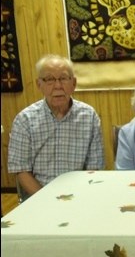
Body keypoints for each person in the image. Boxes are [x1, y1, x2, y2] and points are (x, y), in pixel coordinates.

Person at [8, 54, 104, 201]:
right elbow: (21, 170)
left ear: (74, 83)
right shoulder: (24, 120)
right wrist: (47, 199)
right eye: (49, 79)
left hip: (81, 195)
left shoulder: (89, 116)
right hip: (38, 197)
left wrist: (79, 197)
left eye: (64, 78)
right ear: (39, 84)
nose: (58, 85)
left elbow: (94, 167)